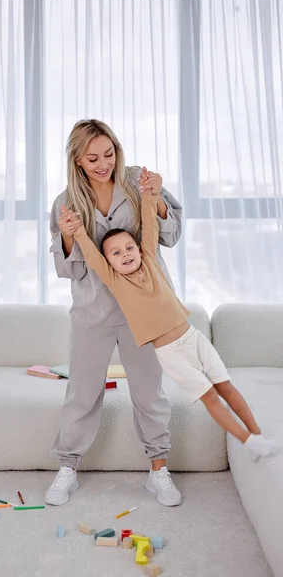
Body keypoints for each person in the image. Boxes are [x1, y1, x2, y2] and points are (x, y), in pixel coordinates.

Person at [63, 167, 280, 462]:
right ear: (109, 263)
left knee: (227, 387)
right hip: (170, 352)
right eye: (116, 253)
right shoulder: (114, 281)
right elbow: (90, 254)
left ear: (139, 250)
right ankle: (249, 444)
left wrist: (151, 194)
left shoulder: (150, 261)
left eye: (129, 247)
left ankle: (258, 436)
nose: (126, 253)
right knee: (211, 398)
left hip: (194, 338)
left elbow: (150, 225)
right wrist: (75, 231)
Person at [46, 119, 183, 507]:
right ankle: (68, 468)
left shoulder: (137, 180)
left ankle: (158, 471)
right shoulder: (65, 201)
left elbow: (169, 236)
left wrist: (154, 198)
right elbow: (68, 268)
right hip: (93, 310)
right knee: (82, 392)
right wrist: (69, 233)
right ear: (76, 160)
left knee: (148, 390)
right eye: (93, 158)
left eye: (109, 153)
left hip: (144, 308)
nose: (103, 163)